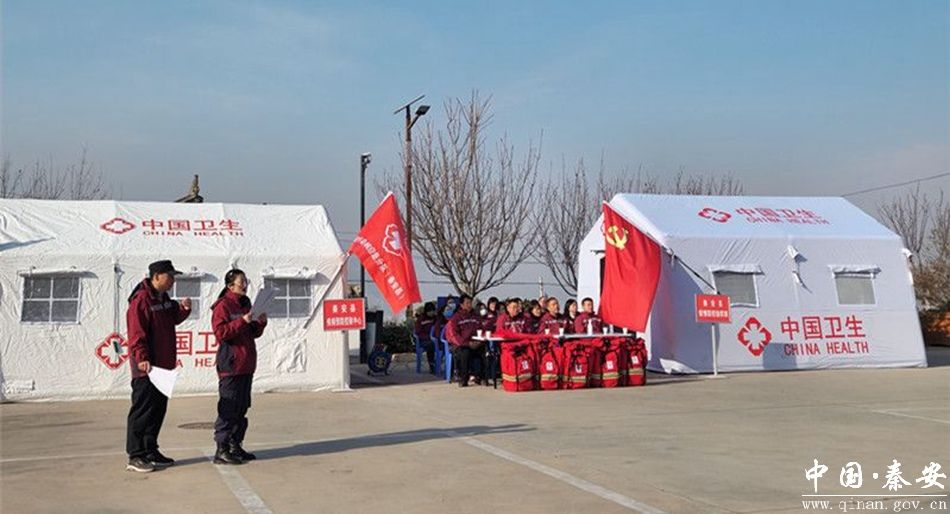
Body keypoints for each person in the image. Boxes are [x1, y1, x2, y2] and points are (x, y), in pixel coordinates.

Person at [126, 260, 192, 473]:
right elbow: (136, 333)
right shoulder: (141, 300)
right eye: (170, 276)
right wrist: (142, 357)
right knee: (142, 410)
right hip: (147, 367)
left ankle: (150, 449)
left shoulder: (163, 298)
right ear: (156, 276)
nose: (173, 280)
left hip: (164, 366)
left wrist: (184, 310)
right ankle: (135, 455)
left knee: (157, 410)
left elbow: (173, 318)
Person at [211, 269, 267, 465]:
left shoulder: (246, 303)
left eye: (245, 281)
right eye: (241, 281)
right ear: (230, 286)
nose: (244, 285)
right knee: (228, 408)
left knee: (242, 407)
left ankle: (236, 445)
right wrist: (241, 321)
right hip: (231, 364)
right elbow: (221, 333)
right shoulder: (223, 305)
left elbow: (252, 333)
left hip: (246, 363)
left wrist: (260, 324)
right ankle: (222, 449)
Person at [445, 294, 486, 387]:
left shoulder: (476, 316)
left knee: (484, 351)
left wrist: (480, 341)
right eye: (467, 303)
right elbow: (454, 336)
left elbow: (482, 330)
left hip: (475, 342)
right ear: (461, 305)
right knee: (465, 353)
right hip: (461, 345)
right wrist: (467, 344)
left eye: (470, 303)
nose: (469, 305)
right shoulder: (456, 318)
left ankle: (481, 377)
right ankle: (463, 379)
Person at [414, 302, 438, 373]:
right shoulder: (421, 319)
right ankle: (432, 365)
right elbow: (418, 332)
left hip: (435, 339)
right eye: (430, 311)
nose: (431, 313)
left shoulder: (436, 318)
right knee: (431, 345)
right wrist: (428, 337)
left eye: (433, 311)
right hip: (423, 340)